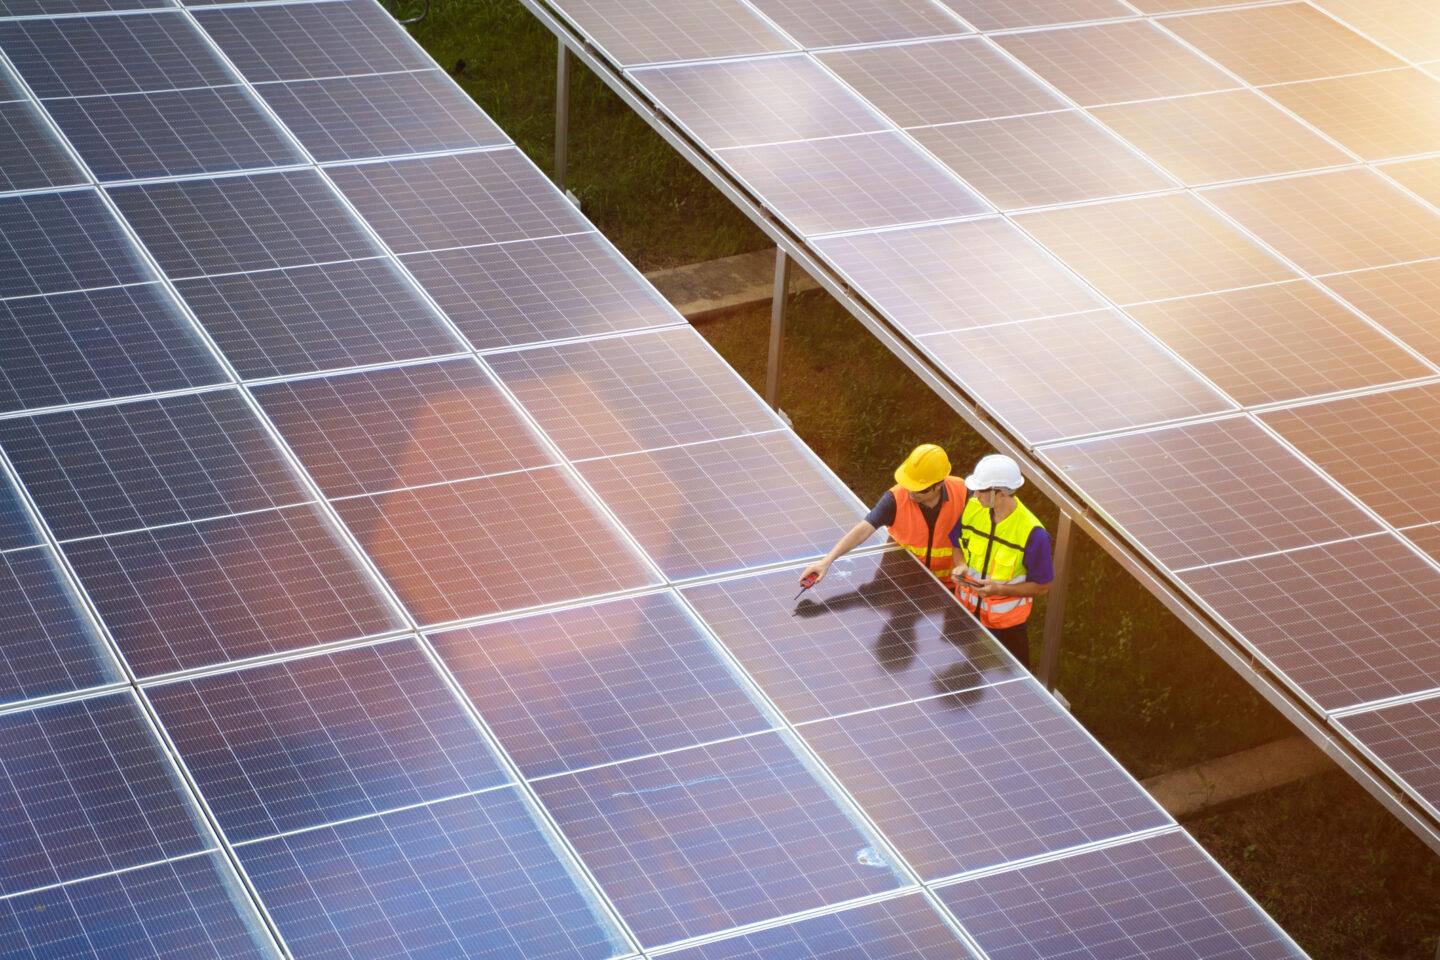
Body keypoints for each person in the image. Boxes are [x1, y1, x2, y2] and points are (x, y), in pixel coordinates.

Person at [802, 443, 967, 588]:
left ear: (938, 485)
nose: (911, 493)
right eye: (909, 485)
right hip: (900, 585)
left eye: (919, 489)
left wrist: (962, 566)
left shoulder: (965, 493)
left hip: (949, 589)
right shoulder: (894, 499)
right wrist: (826, 561)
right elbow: (863, 530)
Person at [952, 453, 1053, 665]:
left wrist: (999, 590)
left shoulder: (1033, 534)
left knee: (1008, 688)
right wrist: (961, 565)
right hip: (964, 616)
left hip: (1007, 629)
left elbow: (1042, 587)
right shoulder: (972, 509)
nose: (975, 494)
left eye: (981, 490)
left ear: (1000, 493)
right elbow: (956, 543)